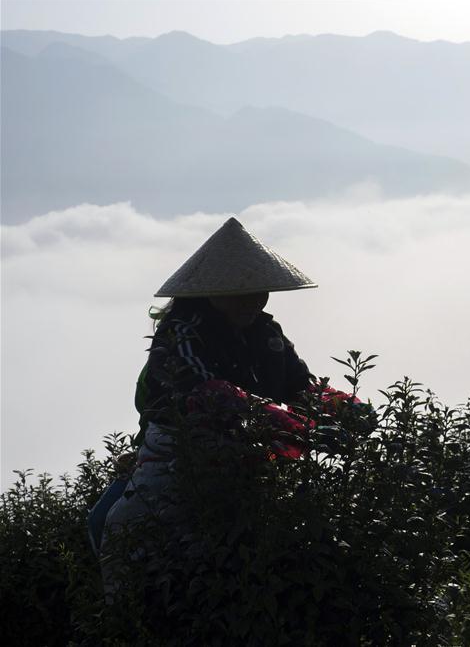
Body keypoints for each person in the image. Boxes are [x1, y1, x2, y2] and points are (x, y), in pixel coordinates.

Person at [100, 217, 317, 594]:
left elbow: (301, 386)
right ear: (210, 292)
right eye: (238, 291)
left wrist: (341, 407)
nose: (252, 300)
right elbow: (204, 391)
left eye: (258, 291)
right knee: (118, 527)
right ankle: (123, 617)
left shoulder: (267, 335)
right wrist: (287, 422)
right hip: (180, 454)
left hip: (257, 449)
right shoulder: (182, 334)